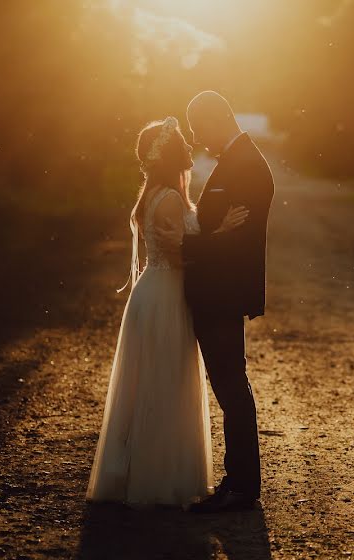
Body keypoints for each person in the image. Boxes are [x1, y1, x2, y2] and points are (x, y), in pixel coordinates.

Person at [85, 116, 248, 507]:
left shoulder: (153, 194)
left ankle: (136, 470)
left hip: (151, 292)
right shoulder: (170, 198)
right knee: (166, 385)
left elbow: (175, 244)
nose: (190, 146)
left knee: (148, 385)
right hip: (166, 296)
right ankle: (158, 479)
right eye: (183, 143)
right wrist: (221, 234)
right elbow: (180, 252)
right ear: (171, 153)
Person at [156, 91, 275, 513]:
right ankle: (240, 481)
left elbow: (236, 242)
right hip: (215, 290)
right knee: (229, 385)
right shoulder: (237, 160)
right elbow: (220, 232)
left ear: (216, 119)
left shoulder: (248, 166)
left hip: (223, 292)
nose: (194, 136)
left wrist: (186, 243)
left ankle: (242, 485)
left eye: (197, 127)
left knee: (231, 387)